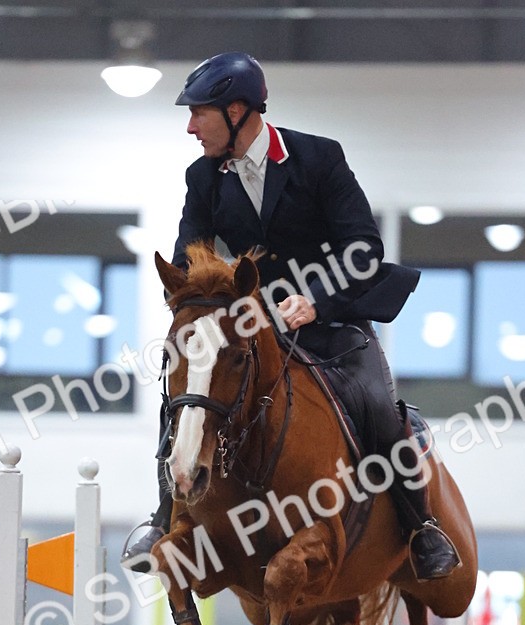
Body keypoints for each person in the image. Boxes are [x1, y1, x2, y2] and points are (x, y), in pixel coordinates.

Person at [121, 51, 461, 582]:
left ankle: (421, 529)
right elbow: (192, 250)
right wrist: (196, 294)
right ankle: (164, 514)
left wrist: (315, 299)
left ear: (237, 111)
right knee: (188, 391)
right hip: (256, 328)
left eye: (198, 113)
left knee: (378, 406)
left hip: (332, 324)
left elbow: (364, 249)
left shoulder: (318, 159)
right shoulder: (203, 177)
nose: (190, 127)